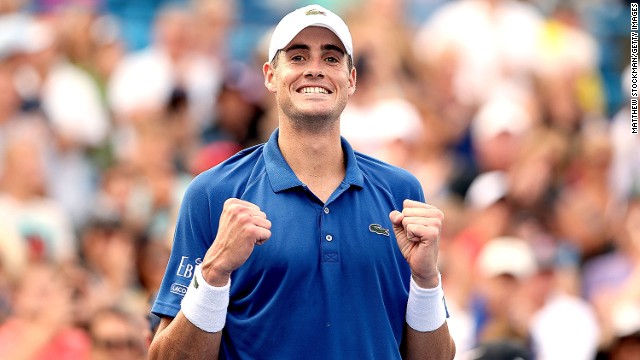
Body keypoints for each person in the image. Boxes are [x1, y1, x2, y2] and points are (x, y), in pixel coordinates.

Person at [149, 5, 455, 359]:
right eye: (297, 56)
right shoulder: (212, 193)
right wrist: (214, 273)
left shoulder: (401, 192)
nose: (314, 69)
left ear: (351, 78)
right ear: (269, 76)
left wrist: (427, 280)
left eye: (331, 58)